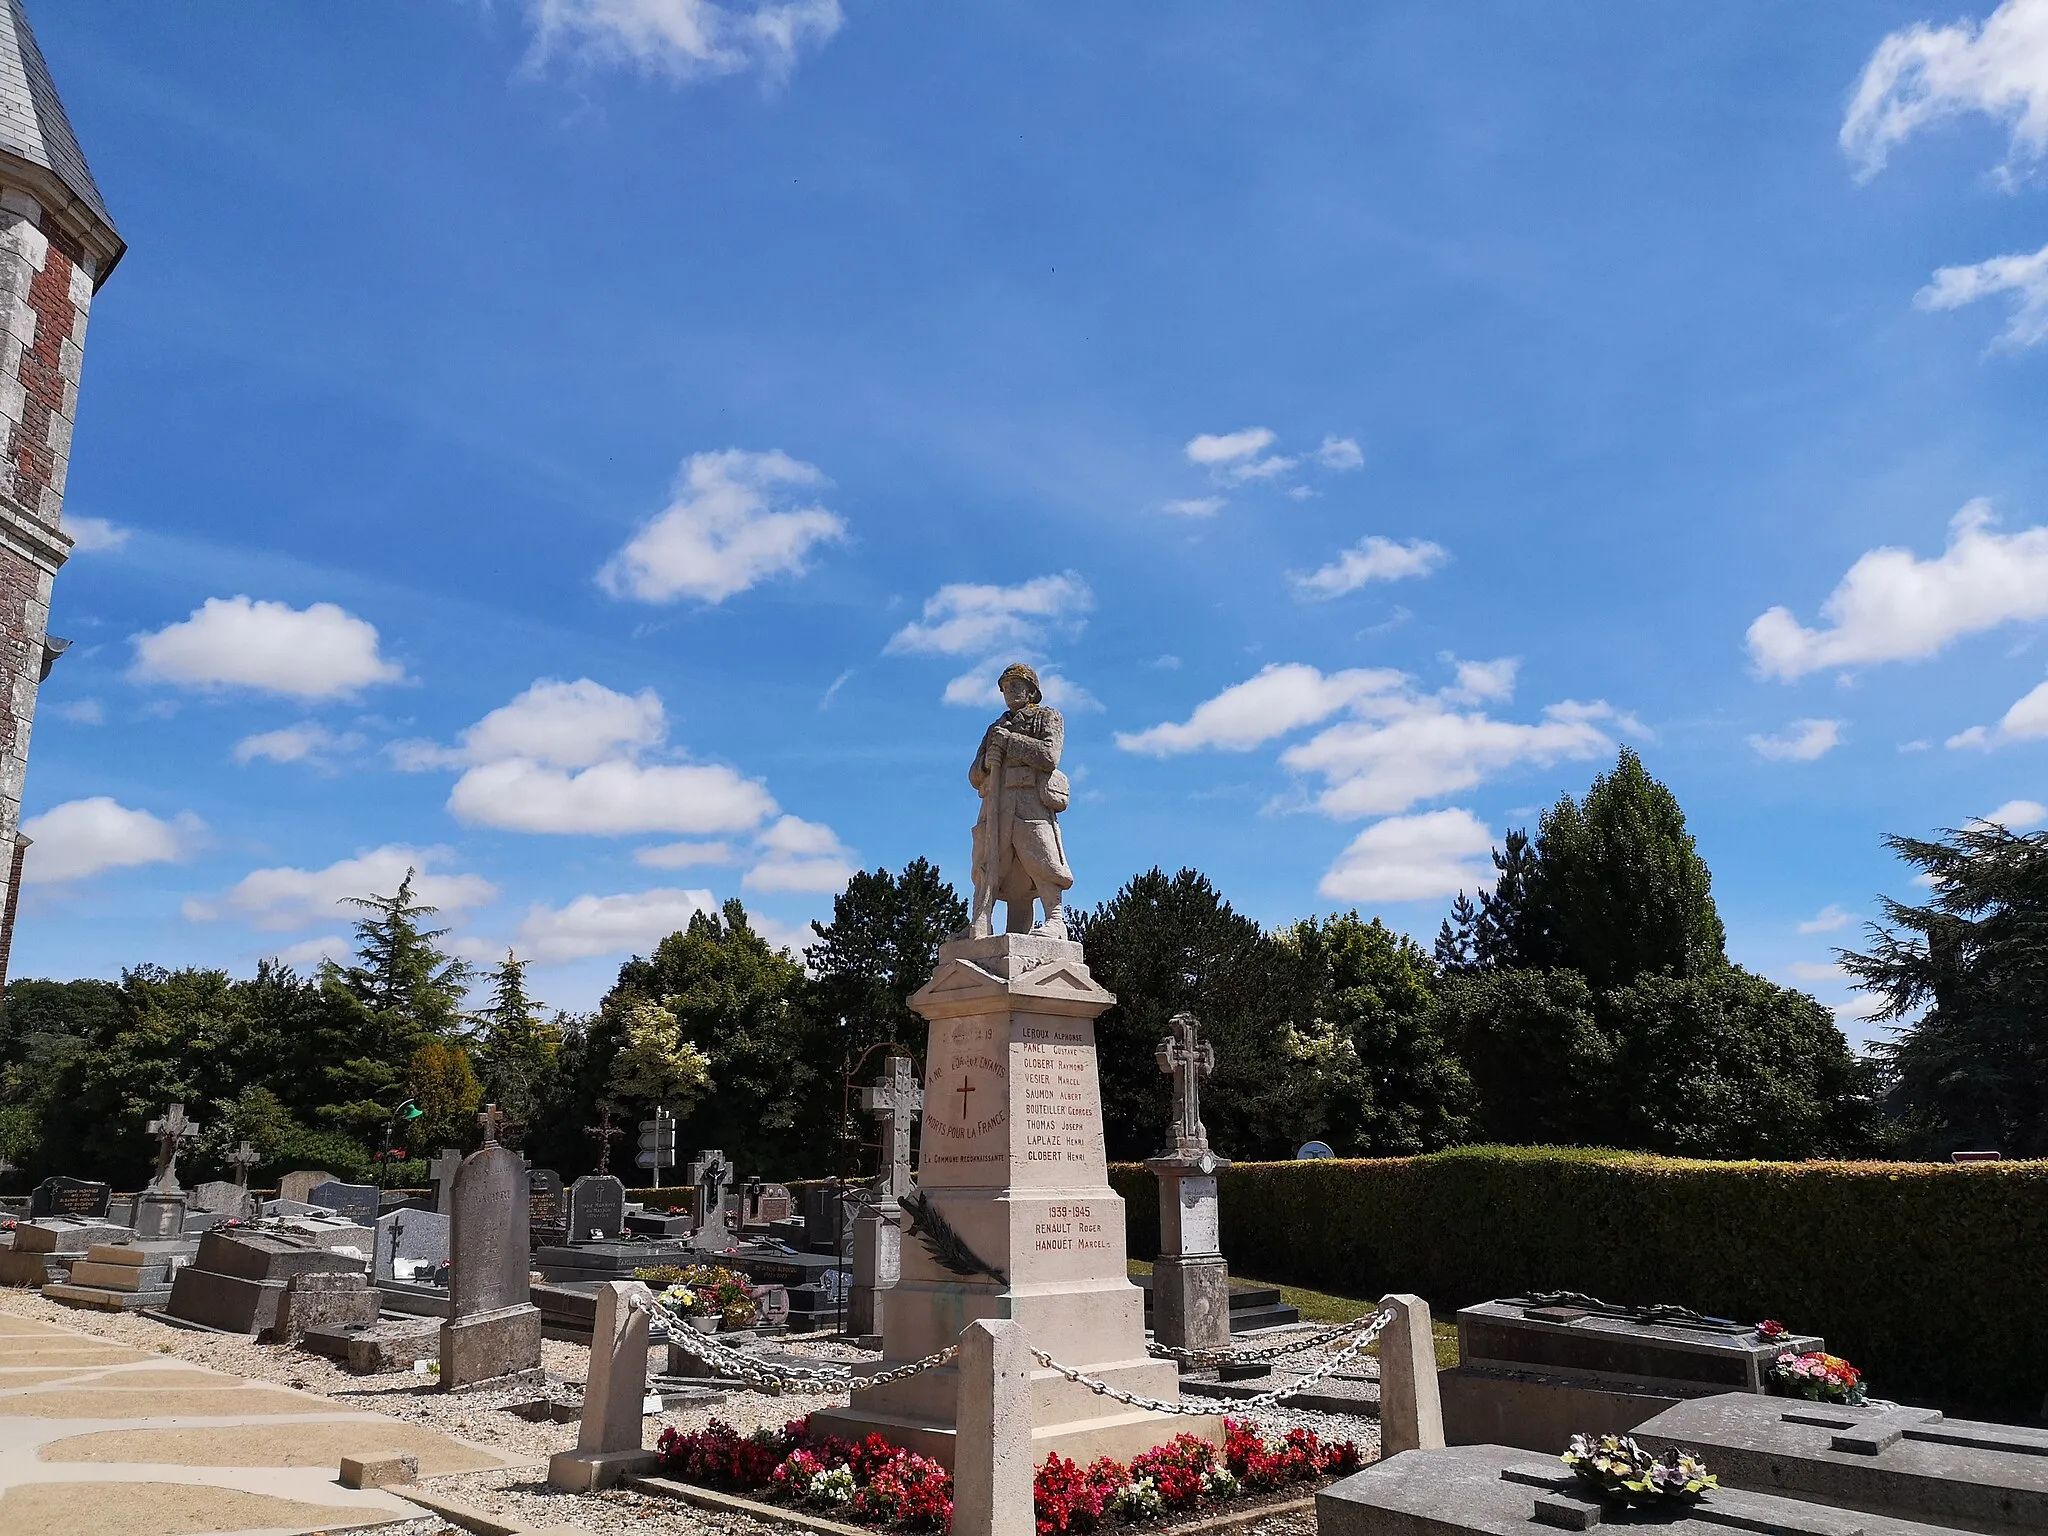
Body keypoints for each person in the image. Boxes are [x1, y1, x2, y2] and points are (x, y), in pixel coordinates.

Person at [967, 662, 1074, 938]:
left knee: (1042, 859)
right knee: (987, 865)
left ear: (1031, 691)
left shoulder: (1047, 717)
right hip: (996, 804)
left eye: (1016, 685)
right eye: (1005, 687)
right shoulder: (995, 728)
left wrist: (1012, 743)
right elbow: (973, 775)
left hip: (1030, 801)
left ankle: (1056, 920)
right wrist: (986, 765)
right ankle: (980, 922)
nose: (1009, 691)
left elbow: (1050, 756)